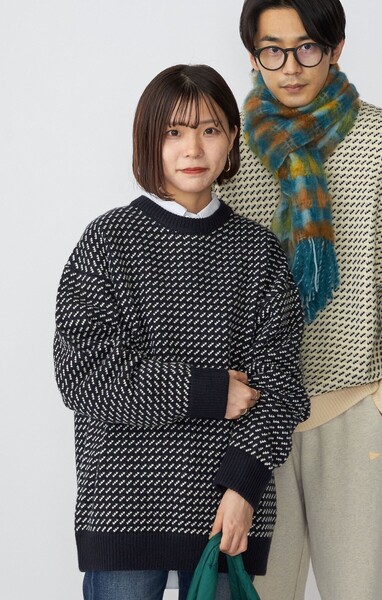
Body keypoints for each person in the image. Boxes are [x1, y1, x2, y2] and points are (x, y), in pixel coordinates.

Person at [216, 1, 382, 598]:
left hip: (351, 412)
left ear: (336, 48)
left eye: (307, 47)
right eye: (273, 50)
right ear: (252, 57)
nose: (290, 67)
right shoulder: (228, 149)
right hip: (251, 419)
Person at [53, 63, 309, 600]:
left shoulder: (259, 253)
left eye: (209, 129)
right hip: (122, 507)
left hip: (226, 511)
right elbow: (83, 375)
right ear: (149, 140)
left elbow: (282, 387)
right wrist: (208, 390)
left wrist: (242, 487)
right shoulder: (106, 242)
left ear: (232, 138)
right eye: (174, 131)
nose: (193, 148)